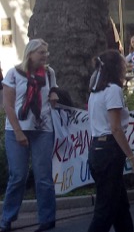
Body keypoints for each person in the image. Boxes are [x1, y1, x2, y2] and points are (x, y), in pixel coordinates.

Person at [1, 39, 58, 232]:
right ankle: (7, 218)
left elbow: (52, 91)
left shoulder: (49, 73)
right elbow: (8, 105)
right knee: (18, 175)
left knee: (43, 177)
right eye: (41, 53)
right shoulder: (13, 73)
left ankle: (47, 219)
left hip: (43, 129)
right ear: (30, 54)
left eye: (46, 53)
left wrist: (53, 95)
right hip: (17, 128)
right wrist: (17, 131)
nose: (45, 56)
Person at [87, 51, 134, 232]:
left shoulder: (96, 91)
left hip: (97, 148)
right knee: (105, 209)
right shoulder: (113, 90)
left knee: (119, 206)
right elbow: (116, 128)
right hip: (109, 150)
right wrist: (131, 157)